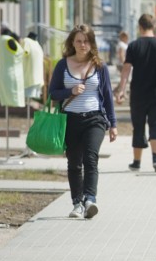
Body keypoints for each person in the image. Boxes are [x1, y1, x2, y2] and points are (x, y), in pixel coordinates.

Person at [48, 24, 118, 219]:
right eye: (78, 41)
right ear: (72, 42)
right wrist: (69, 91)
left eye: (86, 41)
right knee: (74, 163)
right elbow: (52, 93)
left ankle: (90, 199)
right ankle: (77, 203)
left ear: (91, 43)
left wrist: (113, 124)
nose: (82, 44)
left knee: (91, 157)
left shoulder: (99, 66)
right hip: (70, 120)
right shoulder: (63, 65)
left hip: (95, 118)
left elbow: (107, 95)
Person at [114, 14, 156, 173]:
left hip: (138, 94)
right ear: (153, 26)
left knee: (138, 127)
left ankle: (136, 162)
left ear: (140, 27)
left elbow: (126, 70)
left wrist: (121, 90)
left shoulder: (134, 46)